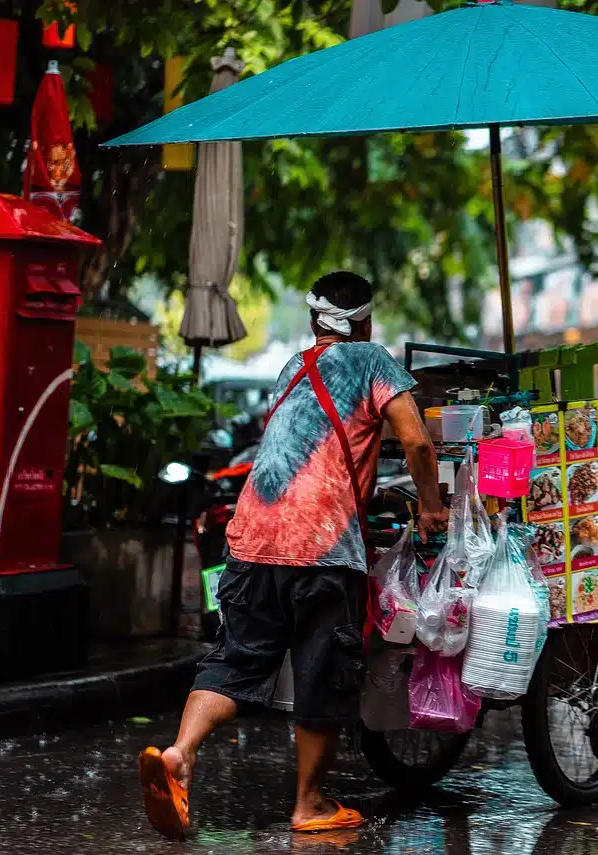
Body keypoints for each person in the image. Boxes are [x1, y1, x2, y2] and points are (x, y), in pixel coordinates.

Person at [138, 271, 448, 840]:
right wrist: (431, 508)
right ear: (367, 322)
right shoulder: (373, 361)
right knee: (322, 675)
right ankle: (309, 805)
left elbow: (306, 446)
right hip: (322, 548)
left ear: (312, 323)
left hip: (252, 536)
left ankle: (180, 753)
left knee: (235, 661)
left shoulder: (291, 368)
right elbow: (418, 441)